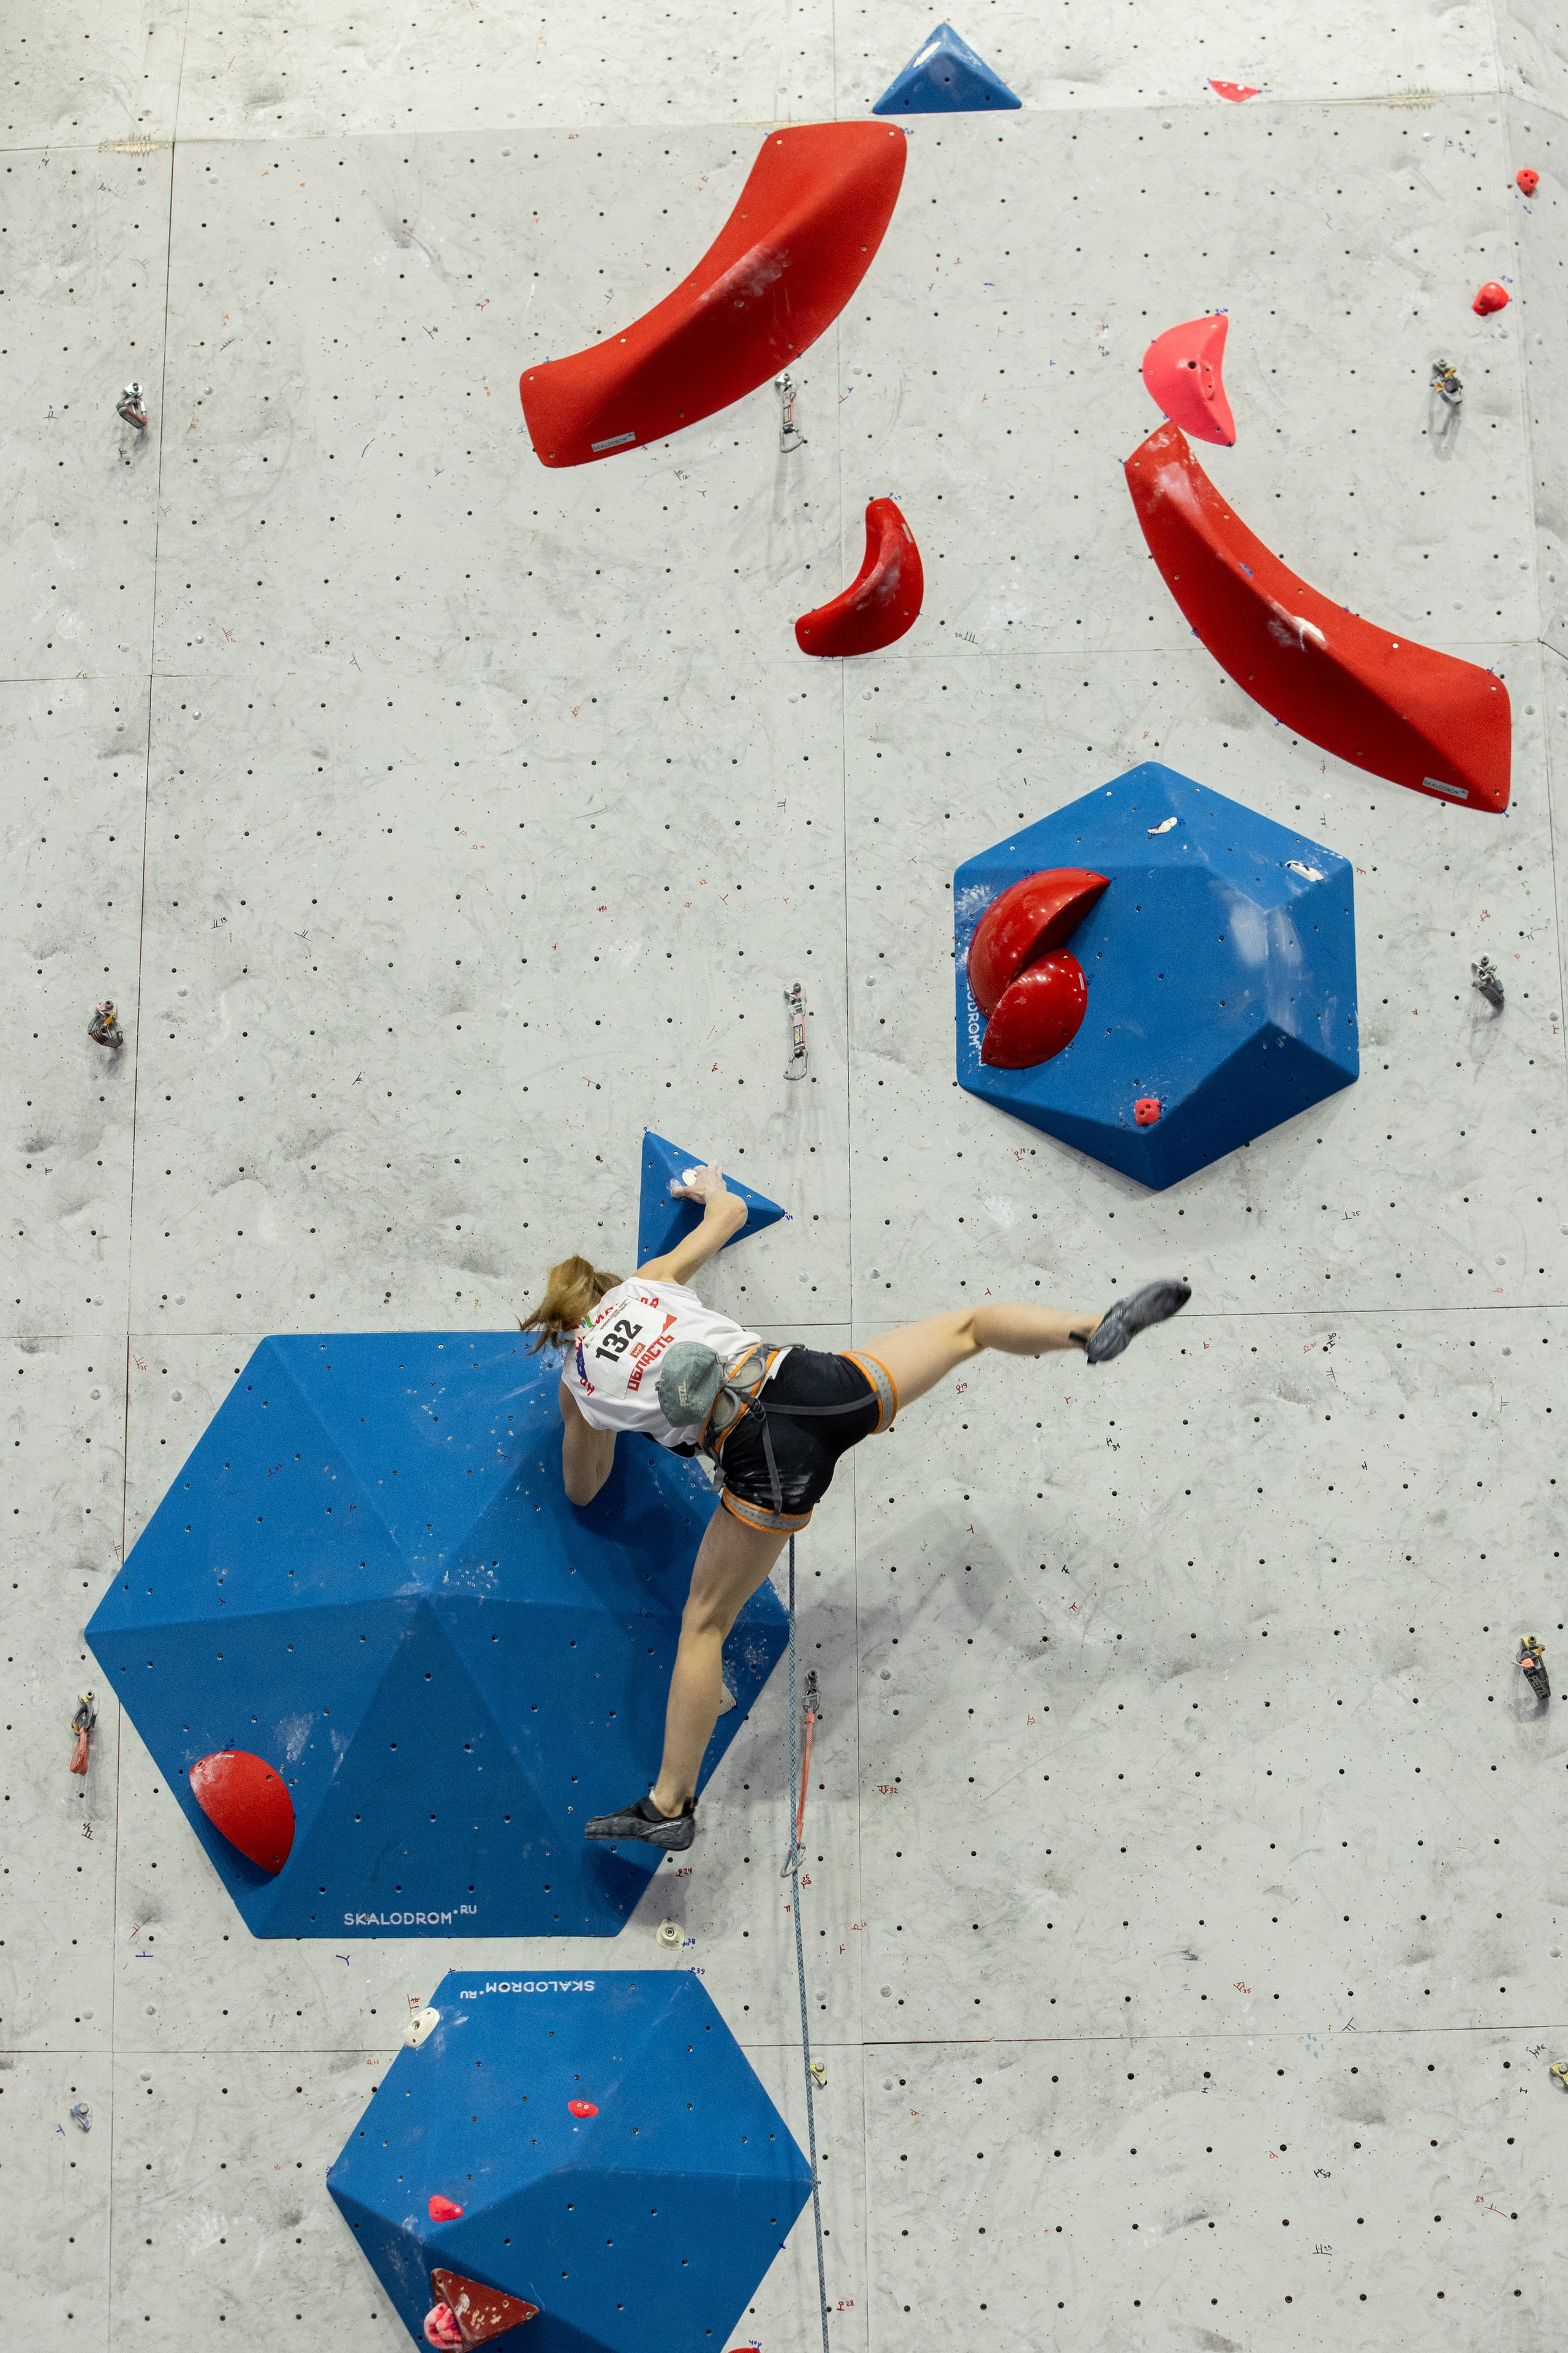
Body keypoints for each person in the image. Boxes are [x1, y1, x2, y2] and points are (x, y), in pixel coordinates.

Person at [519, 1165, 1188, 1853]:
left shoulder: (576, 1382)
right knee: (970, 1328)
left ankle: (669, 1804)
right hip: (809, 1384)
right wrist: (706, 1188)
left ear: (561, 1330)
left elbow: (583, 1487)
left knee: (705, 1624)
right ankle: (1090, 1326)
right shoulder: (649, 1281)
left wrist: (600, 1418)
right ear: (606, 1287)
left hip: (760, 1457)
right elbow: (730, 1213)